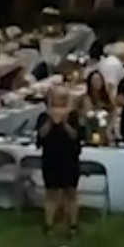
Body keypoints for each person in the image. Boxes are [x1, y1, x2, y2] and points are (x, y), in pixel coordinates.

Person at [37, 96, 86, 233]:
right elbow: (41, 135)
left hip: (69, 158)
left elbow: (76, 136)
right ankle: (49, 225)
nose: (59, 100)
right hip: (51, 158)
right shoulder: (44, 116)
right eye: (56, 97)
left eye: (62, 97)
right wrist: (51, 122)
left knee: (71, 192)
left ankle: (73, 225)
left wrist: (64, 123)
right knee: (51, 193)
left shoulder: (74, 116)